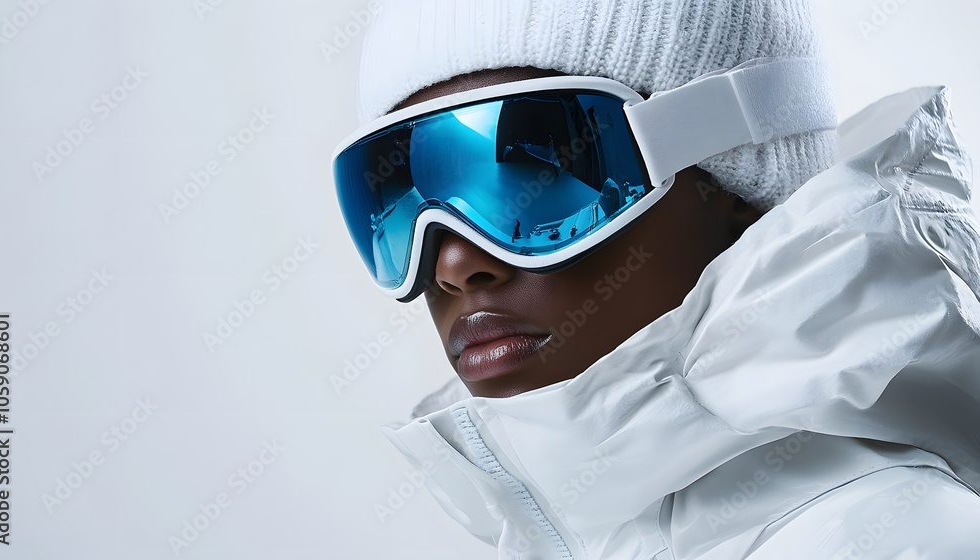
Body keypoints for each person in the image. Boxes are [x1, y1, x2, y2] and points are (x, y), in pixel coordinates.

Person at [332, 0, 980, 557]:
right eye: (398, 199)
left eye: (538, 178)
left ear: (735, 187)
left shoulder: (902, 541)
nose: (452, 265)